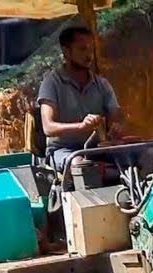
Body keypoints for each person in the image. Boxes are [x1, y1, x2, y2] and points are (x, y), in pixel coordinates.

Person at [36, 26, 125, 171]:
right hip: (63, 150)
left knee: (139, 155)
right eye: (82, 49)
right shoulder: (52, 82)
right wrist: (80, 127)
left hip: (97, 148)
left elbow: (116, 115)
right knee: (82, 165)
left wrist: (118, 125)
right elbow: (48, 127)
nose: (89, 55)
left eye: (91, 49)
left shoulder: (102, 84)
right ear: (66, 51)